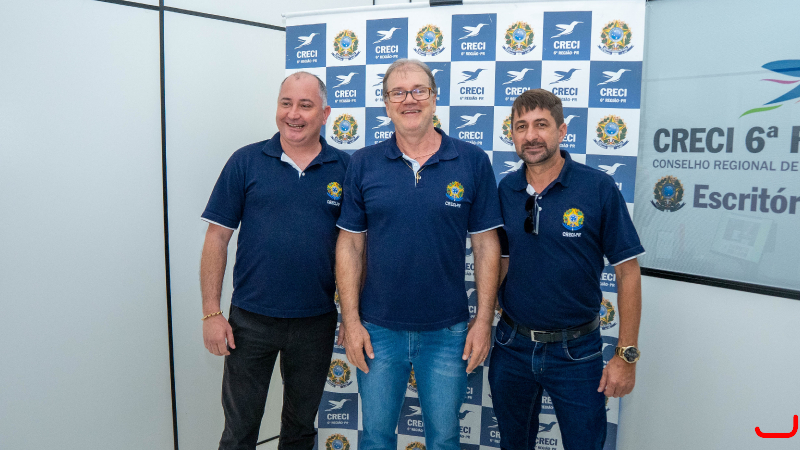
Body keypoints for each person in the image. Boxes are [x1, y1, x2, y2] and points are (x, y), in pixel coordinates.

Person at [335, 58, 503, 450]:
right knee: (376, 438)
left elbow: (486, 245)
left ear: (434, 97)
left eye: (418, 90)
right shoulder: (363, 162)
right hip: (377, 330)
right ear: (386, 102)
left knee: (445, 439)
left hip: (448, 331)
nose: (409, 99)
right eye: (398, 92)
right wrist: (351, 320)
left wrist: (483, 321)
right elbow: (350, 245)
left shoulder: (472, 160)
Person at [199, 71, 349, 450]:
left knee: (299, 429)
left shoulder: (346, 169)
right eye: (286, 103)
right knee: (239, 431)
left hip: (315, 322)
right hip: (250, 322)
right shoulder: (246, 161)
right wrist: (211, 313)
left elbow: (356, 249)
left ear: (325, 114)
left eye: (305, 105)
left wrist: (352, 316)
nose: (293, 114)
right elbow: (217, 238)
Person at [488, 89, 644, 450]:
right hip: (511, 347)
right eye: (521, 127)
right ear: (512, 134)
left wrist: (626, 355)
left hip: (577, 352)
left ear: (562, 131)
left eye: (541, 125)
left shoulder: (598, 187)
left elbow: (628, 273)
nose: (531, 136)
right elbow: (503, 258)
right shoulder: (507, 189)